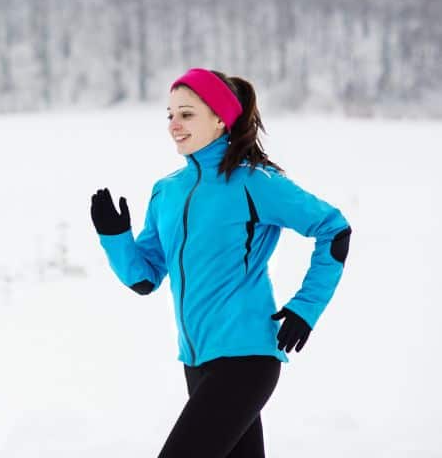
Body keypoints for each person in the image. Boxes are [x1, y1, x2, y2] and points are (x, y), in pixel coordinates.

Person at [90, 68, 351, 458]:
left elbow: (335, 230)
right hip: (195, 362)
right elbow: (145, 278)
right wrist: (115, 238)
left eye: (187, 114)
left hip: (246, 358)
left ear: (220, 119)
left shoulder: (254, 182)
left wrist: (306, 307)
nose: (174, 125)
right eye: (170, 115)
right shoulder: (166, 192)